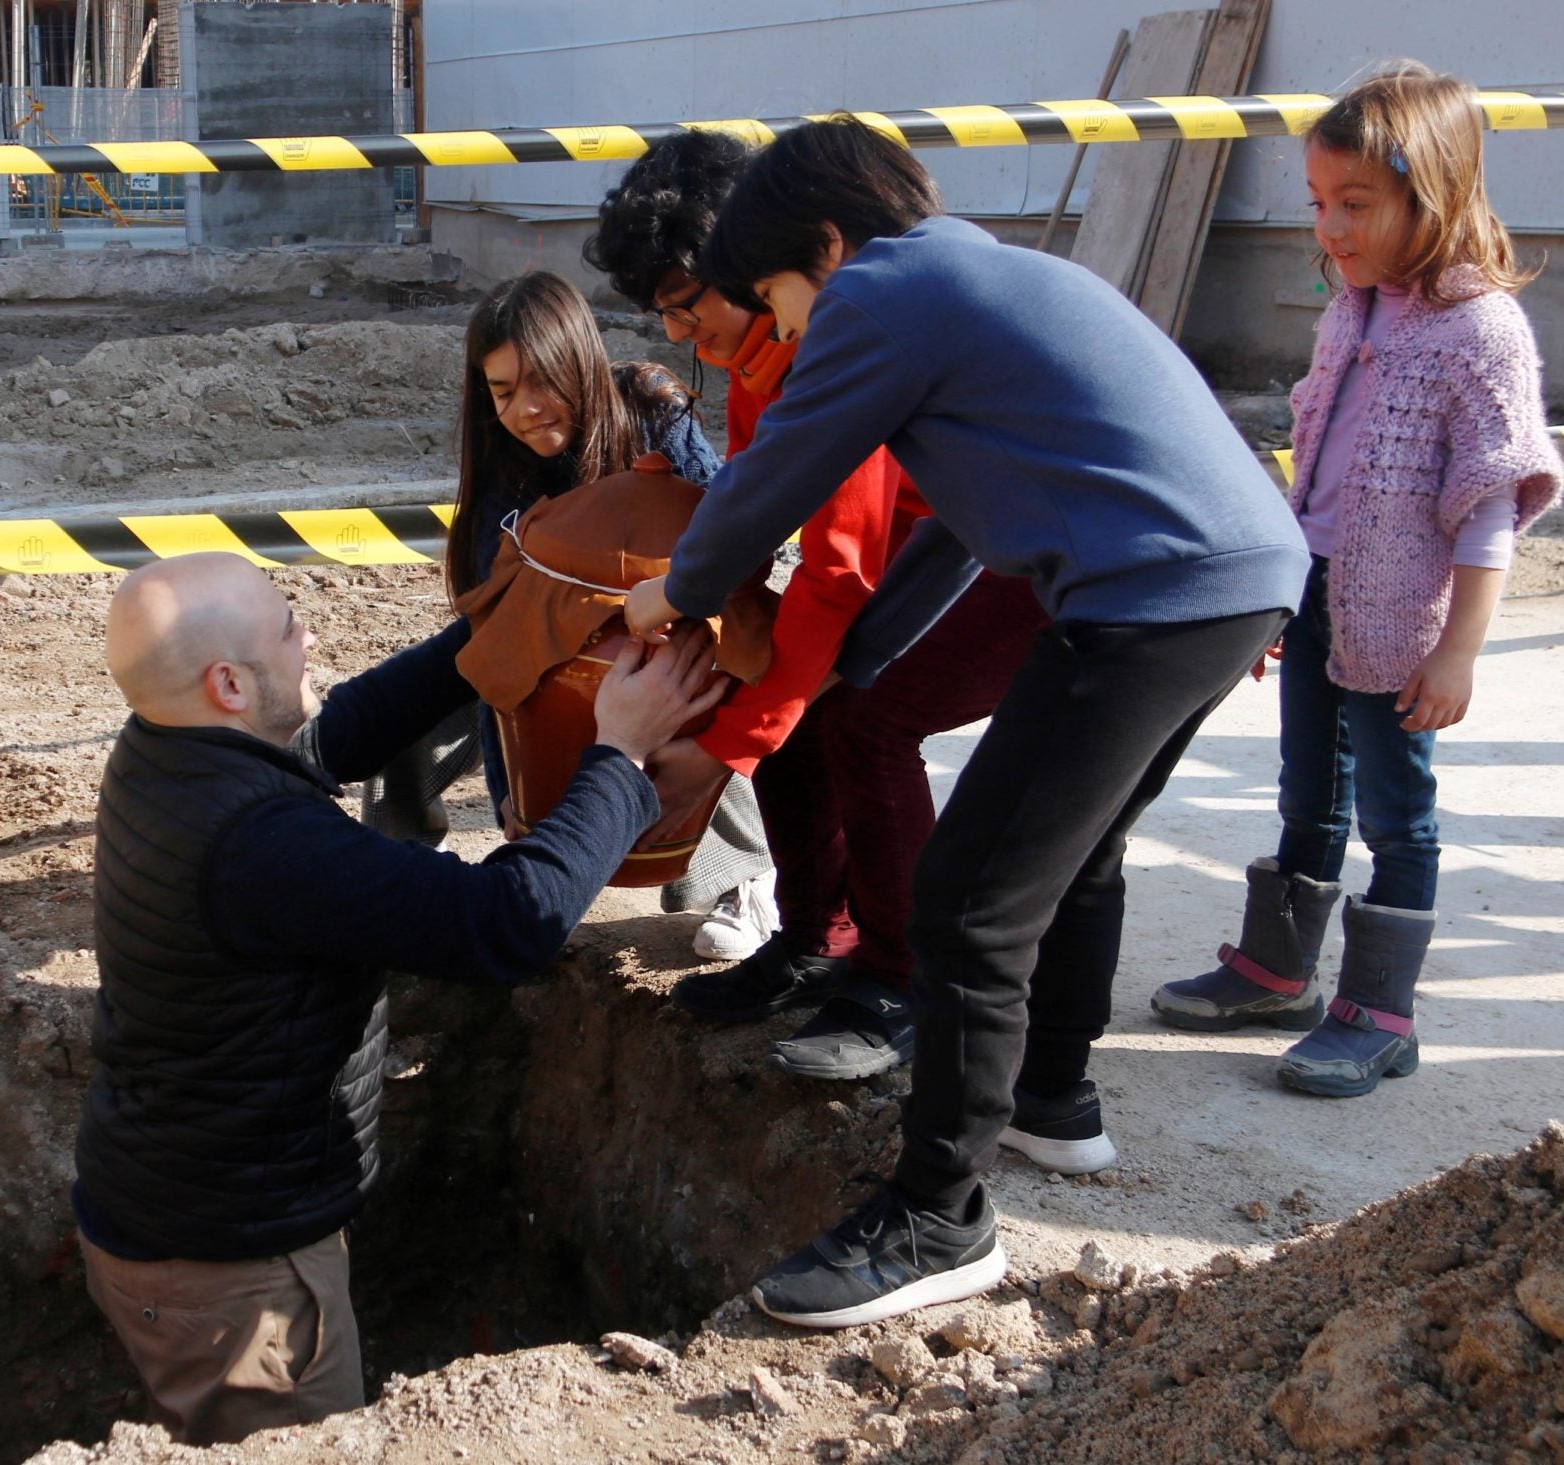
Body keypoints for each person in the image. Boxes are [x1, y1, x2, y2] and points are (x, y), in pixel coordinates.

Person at [621, 118, 1309, 1327]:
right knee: (1075, 854)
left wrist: (670, 590)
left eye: (772, 295)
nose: (774, 328)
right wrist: (867, 663)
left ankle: (941, 1217)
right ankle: (1052, 1104)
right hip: (1237, 575)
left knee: (967, 901)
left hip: (1147, 596)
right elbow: (956, 521)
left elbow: (777, 477)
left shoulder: (885, 292)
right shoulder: (985, 276)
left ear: (826, 247)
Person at [76, 551, 724, 1443]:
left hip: (178, 1220)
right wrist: (620, 751)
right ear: (227, 681)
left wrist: (502, 629)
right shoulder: (257, 843)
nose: (311, 636)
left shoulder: (168, 747)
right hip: (236, 1281)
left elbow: (337, 730)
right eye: (287, 625)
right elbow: (504, 920)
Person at [584, 132, 1068, 1124]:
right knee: (795, 695)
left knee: (860, 716)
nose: (679, 334)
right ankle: (817, 936)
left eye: (688, 302)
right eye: (659, 314)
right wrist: (715, 637)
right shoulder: (763, 355)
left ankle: (900, 980)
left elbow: (839, 572)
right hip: (941, 545)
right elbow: (756, 516)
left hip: (1026, 554)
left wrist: (726, 746)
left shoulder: (832, 346)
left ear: (755, 266)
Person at [1150, 64, 1564, 1096]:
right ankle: (1277, 965)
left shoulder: (1478, 333)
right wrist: (1287, 591)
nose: (1330, 229)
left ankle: (1378, 1011)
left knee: (1395, 808)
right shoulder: (1353, 312)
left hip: (1406, 624)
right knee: (1306, 783)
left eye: (1355, 205)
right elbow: (1318, 464)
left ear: (1433, 193)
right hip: (1324, 587)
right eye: (1318, 205)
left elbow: (1489, 503)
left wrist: (1458, 648)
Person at [366, 270, 779, 961]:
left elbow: (730, 544)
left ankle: (743, 877)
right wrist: (511, 799)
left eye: (542, 382)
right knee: (407, 711)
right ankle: (397, 879)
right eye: (502, 392)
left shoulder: (652, 411)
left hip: (661, 633)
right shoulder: (503, 466)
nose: (526, 409)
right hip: (540, 642)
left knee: (708, 686)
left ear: (580, 364)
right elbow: (495, 639)